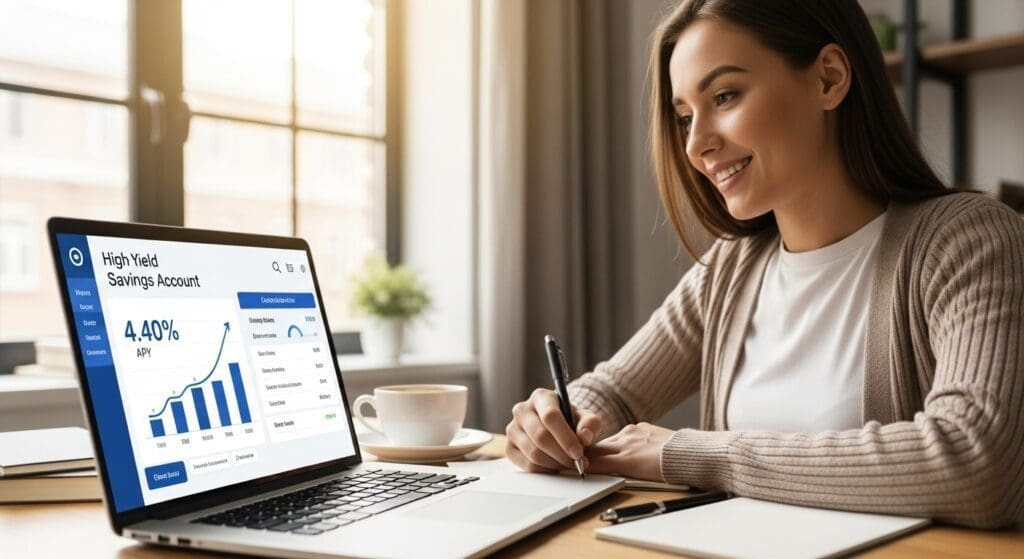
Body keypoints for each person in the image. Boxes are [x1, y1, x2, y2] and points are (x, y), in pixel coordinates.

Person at [505, 0, 1024, 529]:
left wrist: (696, 454)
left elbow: (976, 459)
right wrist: (557, 422)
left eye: (724, 96)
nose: (696, 144)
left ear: (828, 78)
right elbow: (614, 392)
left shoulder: (967, 239)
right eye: (685, 117)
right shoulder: (731, 270)